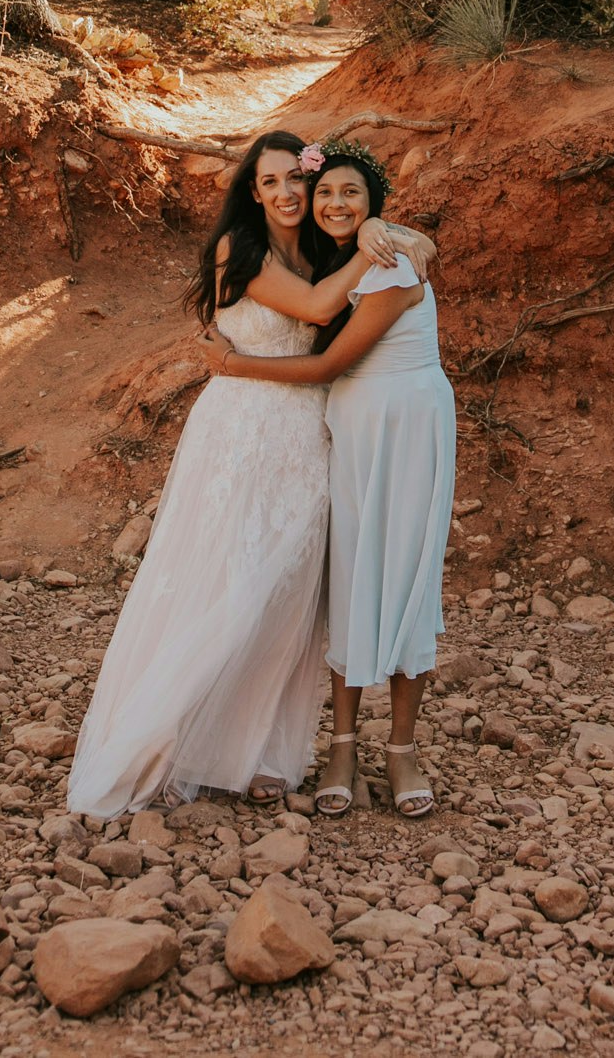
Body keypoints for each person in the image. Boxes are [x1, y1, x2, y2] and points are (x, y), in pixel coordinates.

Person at [66, 130, 430, 817]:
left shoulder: (321, 245)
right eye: (271, 183)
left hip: (307, 432)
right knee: (228, 583)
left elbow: (359, 274)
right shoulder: (243, 247)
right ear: (252, 193)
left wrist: (377, 226)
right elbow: (322, 310)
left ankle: (255, 752)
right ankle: (163, 734)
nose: (289, 192)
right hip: (243, 426)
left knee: (289, 594)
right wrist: (381, 237)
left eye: (298, 178)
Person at [202, 136, 456, 820]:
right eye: (326, 194)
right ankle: (341, 747)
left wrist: (232, 366)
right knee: (349, 579)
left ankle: (401, 749)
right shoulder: (335, 262)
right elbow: (300, 304)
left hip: (405, 431)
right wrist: (374, 226)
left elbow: (321, 365)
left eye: (353, 194)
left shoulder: (393, 264)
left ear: (376, 203)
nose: (334, 204)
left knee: (403, 579)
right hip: (346, 431)